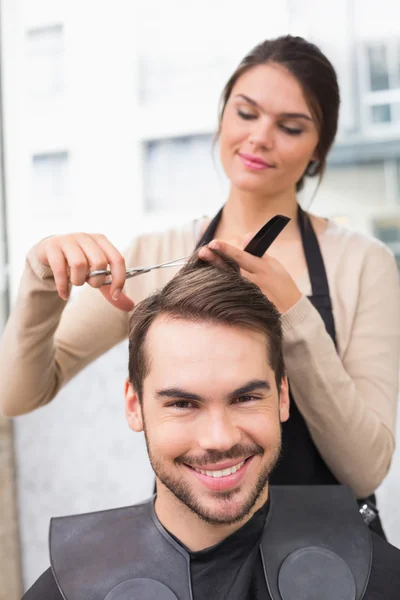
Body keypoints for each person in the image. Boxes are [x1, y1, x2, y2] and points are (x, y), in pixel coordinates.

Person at [1, 36, 399, 533]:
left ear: (319, 149)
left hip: (326, 562)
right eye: (246, 113)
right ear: (221, 117)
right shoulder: (155, 255)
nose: (259, 138)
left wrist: (295, 314)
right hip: (188, 558)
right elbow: (17, 395)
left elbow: (365, 468)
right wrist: (40, 285)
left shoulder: (365, 264)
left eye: (290, 127)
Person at [23, 254, 400, 600]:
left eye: (246, 398)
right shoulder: (68, 590)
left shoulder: (381, 579)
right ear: (134, 406)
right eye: (183, 404)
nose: (220, 439)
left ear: (282, 395)